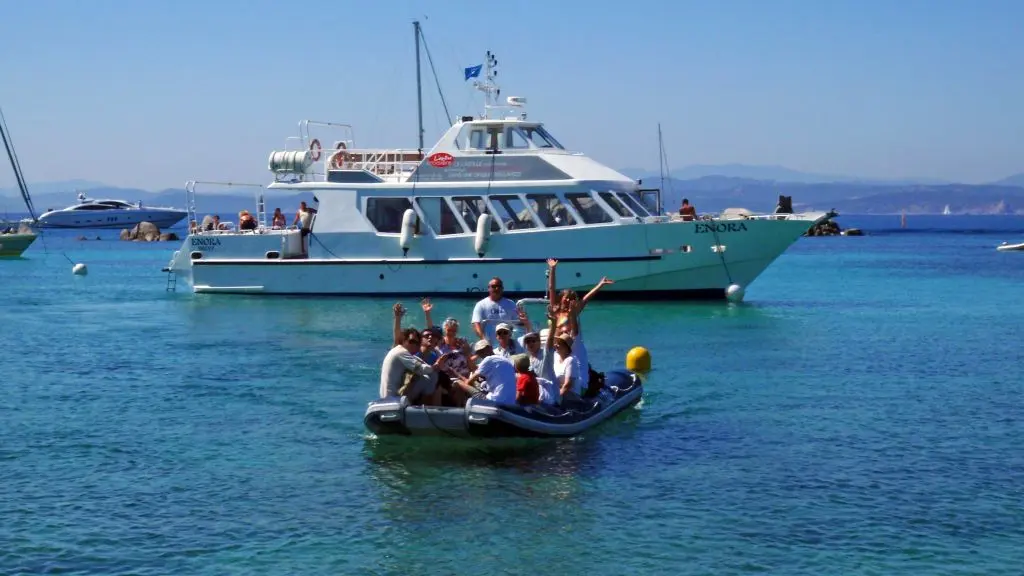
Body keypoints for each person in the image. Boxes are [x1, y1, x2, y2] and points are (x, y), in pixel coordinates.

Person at [380, 327, 450, 405]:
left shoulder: (401, 352)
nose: (414, 345)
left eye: (417, 343)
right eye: (411, 341)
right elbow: (421, 369)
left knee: (429, 376)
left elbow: (421, 363)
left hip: (390, 396)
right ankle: (427, 407)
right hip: (393, 397)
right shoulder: (401, 352)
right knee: (430, 377)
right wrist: (435, 366)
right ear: (403, 340)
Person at [452, 340, 517, 405]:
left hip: (495, 401)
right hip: (511, 403)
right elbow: (476, 370)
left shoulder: (488, 359)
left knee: (458, 382)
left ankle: (459, 408)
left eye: (483, 350)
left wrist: (460, 378)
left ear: (490, 348)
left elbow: (469, 382)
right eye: (479, 352)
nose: (482, 353)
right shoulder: (504, 359)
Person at [471, 277, 519, 344]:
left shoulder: (511, 304)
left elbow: (517, 324)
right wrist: (484, 340)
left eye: (499, 286)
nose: (496, 288)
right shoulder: (480, 304)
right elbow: (476, 324)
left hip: (508, 343)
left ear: (502, 289)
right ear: (489, 288)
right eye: (493, 286)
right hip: (489, 344)